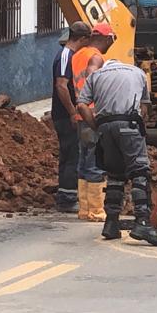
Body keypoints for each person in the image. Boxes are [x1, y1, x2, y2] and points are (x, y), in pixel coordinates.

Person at [77, 56, 157, 247]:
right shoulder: (138, 73)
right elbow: (144, 108)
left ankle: (111, 223)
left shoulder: (96, 76)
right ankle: (142, 221)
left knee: (115, 174)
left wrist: (95, 126)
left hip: (105, 127)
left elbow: (82, 105)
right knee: (139, 172)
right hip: (128, 123)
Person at [71, 22, 115, 221]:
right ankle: (96, 211)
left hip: (81, 115)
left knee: (84, 161)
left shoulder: (78, 54)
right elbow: (91, 73)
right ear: (106, 38)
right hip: (92, 114)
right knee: (96, 162)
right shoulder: (95, 57)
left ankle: (84, 209)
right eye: (111, 41)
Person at [51, 21, 92, 213]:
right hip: (64, 115)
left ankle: (66, 194)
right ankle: (67, 199)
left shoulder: (68, 55)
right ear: (82, 38)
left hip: (65, 114)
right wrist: (72, 113)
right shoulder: (66, 56)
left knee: (69, 153)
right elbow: (61, 85)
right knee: (71, 154)